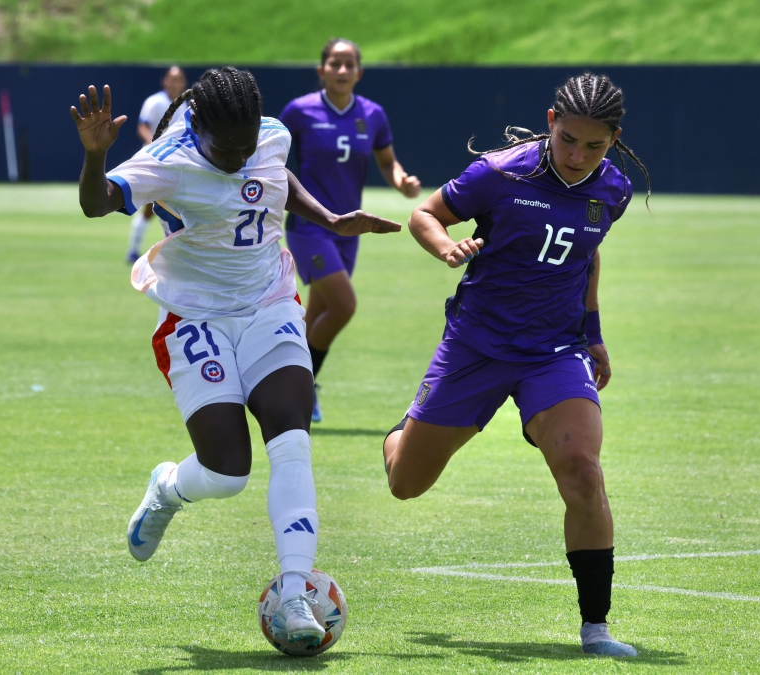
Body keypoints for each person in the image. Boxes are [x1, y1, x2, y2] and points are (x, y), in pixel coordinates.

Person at [68, 67, 399, 646]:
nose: (240, 157)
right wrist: (95, 156)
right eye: (227, 149)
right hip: (195, 315)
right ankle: (167, 489)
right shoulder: (167, 160)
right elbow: (98, 204)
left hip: (270, 304)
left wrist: (326, 217)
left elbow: (276, 175)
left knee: (292, 441)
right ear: (196, 126)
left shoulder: (269, 134)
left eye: (247, 145)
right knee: (227, 474)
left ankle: (295, 594)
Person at [380, 72, 651, 657]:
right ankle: (401, 434)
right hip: (476, 346)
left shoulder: (614, 191)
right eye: (568, 140)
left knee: (581, 469)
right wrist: (446, 247)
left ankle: (596, 628)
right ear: (551, 122)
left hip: (554, 352)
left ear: (614, 139)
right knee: (406, 485)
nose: (578, 156)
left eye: (594, 146)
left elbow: (586, 254)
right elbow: (425, 215)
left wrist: (594, 335)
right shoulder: (500, 173)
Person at [280, 38, 421, 423]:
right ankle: (301, 388)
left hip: (351, 230)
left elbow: (388, 162)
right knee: (344, 306)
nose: (342, 71)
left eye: (349, 64)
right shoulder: (299, 111)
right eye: (334, 64)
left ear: (359, 72)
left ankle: (285, 382)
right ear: (321, 70)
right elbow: (271, 158)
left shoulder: (373, 114)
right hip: (310, 227)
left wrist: (402, 180)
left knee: (319, 312)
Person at [125, 66, 189, 263]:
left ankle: (171, 252)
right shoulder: (154, 101)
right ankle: (133, 250)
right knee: (148, 209)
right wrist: (155, 145)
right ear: (164, 81)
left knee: (177, 208)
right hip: (153, 161)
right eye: (171, 79)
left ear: (184, 83)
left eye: (178, 79)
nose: (174, 83)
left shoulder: (185, 105)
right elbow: (142, 126)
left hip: (177, 163)